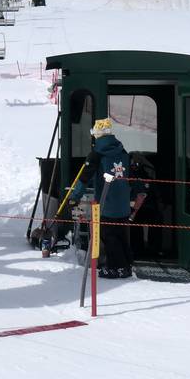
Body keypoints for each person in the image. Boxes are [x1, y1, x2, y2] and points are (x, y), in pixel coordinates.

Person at [69, 118, 133, 278]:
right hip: (123, 202)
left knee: (108, 236)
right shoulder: (122, 151)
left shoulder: (96, 154)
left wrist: (74, 197)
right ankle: (126, 266)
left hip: (106, 202)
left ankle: (114, 268)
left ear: (97, 134)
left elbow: (84, 178)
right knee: (122, 235)